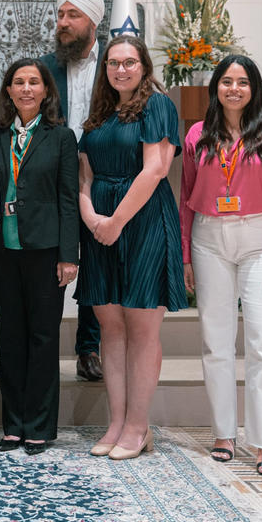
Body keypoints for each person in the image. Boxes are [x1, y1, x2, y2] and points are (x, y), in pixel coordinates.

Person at [180, 55, 262, 477]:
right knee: (216, 340)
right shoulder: (198, 135)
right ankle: (223, 433)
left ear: (254, 89)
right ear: (216, 88)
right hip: (209, 238)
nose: (234, 89)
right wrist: (186, 256)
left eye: (242, 82)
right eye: (226, 81)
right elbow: (186, 199)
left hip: (259, 239)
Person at [76, 35, 187, 460]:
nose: (121, 70)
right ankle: (117, 421)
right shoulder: (100, 114)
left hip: (141, 224)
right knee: (111, 328)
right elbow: (84, 175)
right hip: (101, 226)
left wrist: (116, 222)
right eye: (113, 63)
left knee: (141, 331)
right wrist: (91, 218)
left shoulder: (157, 105)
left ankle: (139, 427)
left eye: (129, 62)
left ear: (144, 66)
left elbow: (156, 169)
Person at [0, 58, 79, 455]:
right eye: (18, 82)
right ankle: (14, 424)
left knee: (42, 338)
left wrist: (68, 255)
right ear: (7, 91)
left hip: (44, 252)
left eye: (33, 83)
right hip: (2, 250)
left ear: (45, 91)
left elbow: (68, 200)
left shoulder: (61, 137)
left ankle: (39, 426)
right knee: (10, 340)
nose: (25, 89)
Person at [39, 0, 107, 382]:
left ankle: (89, 349)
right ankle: (45, 346)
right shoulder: (45, 68)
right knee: (55, 265)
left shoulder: (115, 64)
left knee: (96, 268)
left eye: (72, 16)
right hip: (54, 185)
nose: (63, 23)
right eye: (61, 15)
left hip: (101, 183)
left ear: (93, 22)